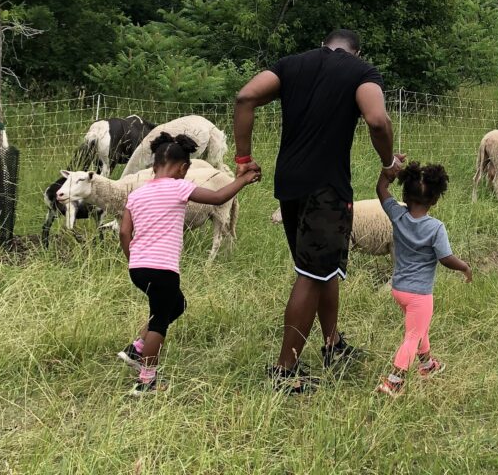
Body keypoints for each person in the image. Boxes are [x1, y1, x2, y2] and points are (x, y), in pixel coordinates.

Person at [233, 28, 400, 393]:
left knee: (324, 269)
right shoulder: (361, 72)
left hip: (289, 183)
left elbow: (245, 96)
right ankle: (284, 371)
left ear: (323, 44)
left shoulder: (292, 65)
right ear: (356, 52)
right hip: (326, 188)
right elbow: (377, 120)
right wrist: (389, 162)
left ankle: (332, 345)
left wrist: (243, 158)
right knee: (310, 274)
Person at [117, 132, 259, 394]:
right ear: (183, 168)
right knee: (160, 321)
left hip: (138, 267)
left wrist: (132, 259)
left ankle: (137, 349)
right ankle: (146, 381)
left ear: (154, 165)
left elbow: (124, 232)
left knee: (177, 304)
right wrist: (243, 179)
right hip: (163, 269)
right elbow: (218, 198)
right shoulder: (179, 187)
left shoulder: (136, 194)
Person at [374, 160, 471, 398]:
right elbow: (445, 258)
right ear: (435, 200)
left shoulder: (398, 216)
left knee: (419, 328)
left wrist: (389, 169)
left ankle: (427, 365)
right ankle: (394, 381)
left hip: (399, 289)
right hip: (420, 294)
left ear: (405, 196)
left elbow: (381, 190)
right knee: (413, 336)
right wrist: (464, 267)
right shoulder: (436, 228)